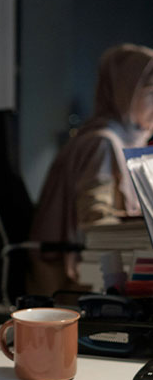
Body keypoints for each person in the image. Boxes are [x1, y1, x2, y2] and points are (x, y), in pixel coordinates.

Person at [29, 43, 153, 296]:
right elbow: (97, 222)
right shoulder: (102, 143)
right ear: (125, 92)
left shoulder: (133, 140)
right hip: (76, 277)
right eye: (152, 92)